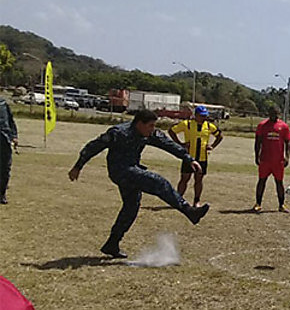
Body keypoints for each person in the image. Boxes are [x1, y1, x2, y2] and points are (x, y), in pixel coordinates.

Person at [68, 110, 210, 258]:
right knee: (158, 182)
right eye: (150, 125)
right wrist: (78, 166)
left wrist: (189, 159)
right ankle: (188, 210)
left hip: (133, 170)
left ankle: (112, 244)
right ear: (139, 123)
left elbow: (168, 145)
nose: (152, 129)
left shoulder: (150, 134)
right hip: (120, 171)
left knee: (131, 207)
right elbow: (93, 147)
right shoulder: (118, 133)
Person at [168, 105, 224, 207]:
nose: (204, 118)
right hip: (189, 157)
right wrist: (180, 144)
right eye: (202, 116)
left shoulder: (208, 126)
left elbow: (220, 136)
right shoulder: (187, 124)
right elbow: (171, 131)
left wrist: (212, 146)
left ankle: (196, 201)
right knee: (185, 178)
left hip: (202, 158)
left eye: (205, 116)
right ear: (196, 115)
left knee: (199, 180)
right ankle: (178, 199)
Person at [253, 104, 290, 213]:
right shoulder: (262, 125)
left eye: (275, 114)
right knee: (261, 181)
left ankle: (281, 205)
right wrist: (257, 155)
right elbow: (258, 142)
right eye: (271, 113)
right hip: (265, 159)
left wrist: (287, 156)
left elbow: (288, 142)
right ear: (268, 114)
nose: (273, 116)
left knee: (279, 182)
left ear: (278, 114)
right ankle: (258, 203)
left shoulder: (283, 126)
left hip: (278, 161)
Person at [0, 98, 18, 205]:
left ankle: (2, 194)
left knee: (5, 168)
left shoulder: (3, 103)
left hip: (4, 139)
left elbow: (11, 121)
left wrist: (14, 136)